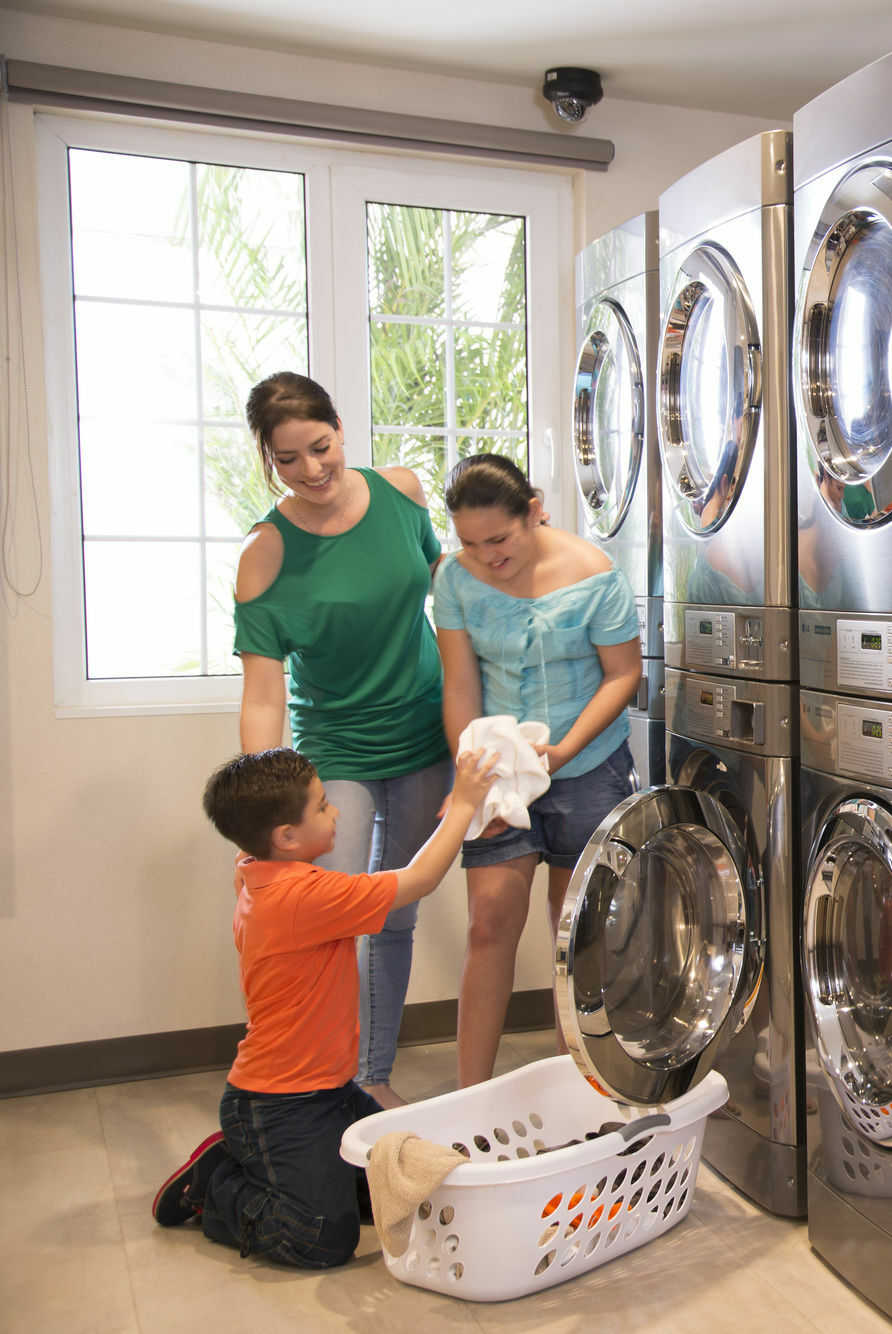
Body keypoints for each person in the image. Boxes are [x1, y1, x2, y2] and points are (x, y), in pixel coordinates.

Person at [153, 745, 500, 1268]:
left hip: (331, 1092)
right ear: (285, 838)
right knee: (321, 1238)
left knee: (400, 1184)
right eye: (321, 806)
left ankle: (274, 1169)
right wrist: (465, 804)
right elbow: (419, 879)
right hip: (278, 1106)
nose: (334, 811)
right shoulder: (303, 897)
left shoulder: (254, 870)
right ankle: (216, 1183)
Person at [233, 372, 451, 1109]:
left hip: (426, 733)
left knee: (395, 912)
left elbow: (446, 587)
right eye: (288, 459)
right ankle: (323, 1081)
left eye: (320, 447)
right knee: (334, 920)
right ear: (269, 461)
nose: (311, 470)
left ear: (340, 429)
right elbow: (263, 695)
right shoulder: (265, 552)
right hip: (337, 753)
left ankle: (371, 1075)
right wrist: (261, 808)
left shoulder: (401, 493)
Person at [432, 452, 642, 1088]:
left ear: (534, 509)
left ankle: (574, 1091)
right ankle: (468, 1100)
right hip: (499, 771)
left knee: (573, 933)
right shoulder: (455, 580)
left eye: (499, 539)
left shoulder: (593, 572)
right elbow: (460, 688)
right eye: (470, 543)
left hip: (590, 765)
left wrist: (566, 749)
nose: (487, 556)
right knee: (489, 921)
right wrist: (468, 776)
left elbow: (623, 674)